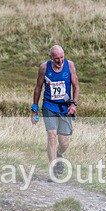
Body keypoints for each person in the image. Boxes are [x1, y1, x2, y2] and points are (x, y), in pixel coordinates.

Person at [31, 45, 79, 179]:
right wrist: (34, 109)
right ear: (51, 57)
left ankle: (59, 154)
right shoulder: (44, 68)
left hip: (64, 107)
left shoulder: (69, 66)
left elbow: (76, 86)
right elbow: (38, 88)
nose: (60, 60)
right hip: (49, 105)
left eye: (62, 57)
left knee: (64, 143)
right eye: (57, 58)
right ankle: (52, 171)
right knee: (51, 135)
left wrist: (74, 104)